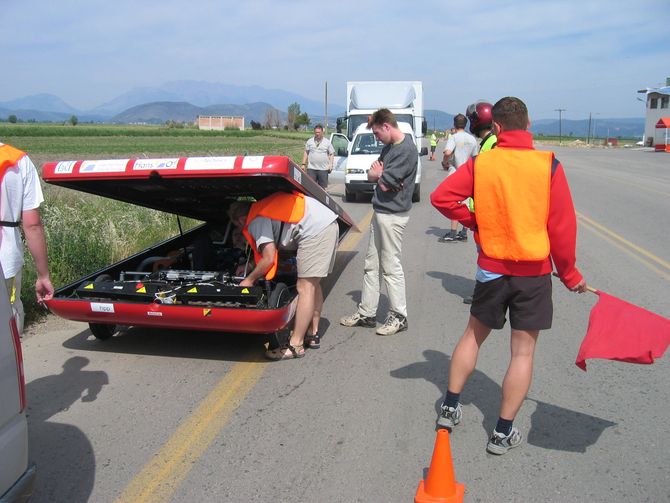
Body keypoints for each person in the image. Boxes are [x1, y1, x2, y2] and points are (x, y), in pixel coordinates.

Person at [430, 97, 587, 455]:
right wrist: (569, 273)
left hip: (492, 269)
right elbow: (562, 226)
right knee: (522, 354)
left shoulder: (482, 164)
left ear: (496, 128)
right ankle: (502, 432)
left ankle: (450, 408)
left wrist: (477, 221)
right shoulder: (548, 166)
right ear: (528, 124)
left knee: (473, 336)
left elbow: (443, 198)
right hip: (533, 274)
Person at [228, 191, 339, 360]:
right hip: (324, 224)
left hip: (316, 231)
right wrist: (250, 266)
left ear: (241, 220)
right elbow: (271, 252)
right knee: (312, 284)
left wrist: (249, 279)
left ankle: (296, 345)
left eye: (237, 226)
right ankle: (312, 333)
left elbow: (269, 258)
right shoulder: (262, 211)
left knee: (305, 287)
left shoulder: (255, 220)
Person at [340, 109, 418, 336]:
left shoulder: (406, 150)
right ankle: (367, 313)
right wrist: (379, 175)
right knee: (371, 265)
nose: (376, 138)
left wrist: (379, 176)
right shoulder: (389, 148)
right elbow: (373, 174)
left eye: (376, 133)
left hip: (393, 216)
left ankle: (399, 316)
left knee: (391, 267)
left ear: (387, 126)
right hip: (380, 211)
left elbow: (382, 182)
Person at [0, 142, 54, 334]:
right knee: (8, 324)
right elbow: (32, 225)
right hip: (6, 262)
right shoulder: (18, 161)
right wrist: (43, 275)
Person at [462, 101, 498, 304]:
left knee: (487, 258)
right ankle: (484, 292)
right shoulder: (487, 142)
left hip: (488, 212)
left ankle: (485, 296)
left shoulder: (492, 143)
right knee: (483, 256)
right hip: (482, 211)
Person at [439, 114, 478, 242]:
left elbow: (448, 152)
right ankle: (464, 231)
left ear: (455, 124)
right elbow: (475, 157)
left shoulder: (454, 137)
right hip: (468, 173)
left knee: (455, 203)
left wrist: (445, 162)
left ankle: (453, 232)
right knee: (465, 203)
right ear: (465, 124)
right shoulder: (472, 139)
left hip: (456, 172)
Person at [301, 124, 334, 190]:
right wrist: (303, 164)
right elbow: (306, 152)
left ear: (322, 132)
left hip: (323, 169)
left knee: (322, 189)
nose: (317, 134)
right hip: (311, 169)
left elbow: (331, 154)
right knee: (310, 188)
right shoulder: (310, 141)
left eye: (319, 132)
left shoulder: (327, 142)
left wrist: (330, 165)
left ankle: (321, 200)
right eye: (316, 132)